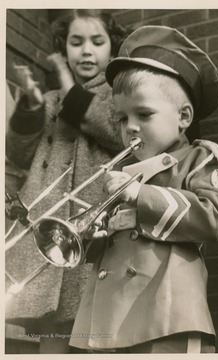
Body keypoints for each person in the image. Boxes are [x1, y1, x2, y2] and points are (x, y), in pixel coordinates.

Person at [69, 25, 218, 354]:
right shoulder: (123, 171)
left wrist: (141, 197)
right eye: (121, 118)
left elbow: (213, 216)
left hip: (167, 310)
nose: (130, 127)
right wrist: (96, 231)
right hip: (110, 316)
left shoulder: (200, 158)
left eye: (143, 114)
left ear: (184, 116)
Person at [5, 10, 129, 354]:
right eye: (76, 42)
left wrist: (67, 85)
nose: (86, 51)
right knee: (46, 333)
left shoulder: (120, 97)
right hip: (45, 233)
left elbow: (113, 131)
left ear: (112, 47)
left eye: (96, 42)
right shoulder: (51, 100)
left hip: (90, 233)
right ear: (64, 48)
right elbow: (17, 153)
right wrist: (30, 107)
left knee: (88, 328)